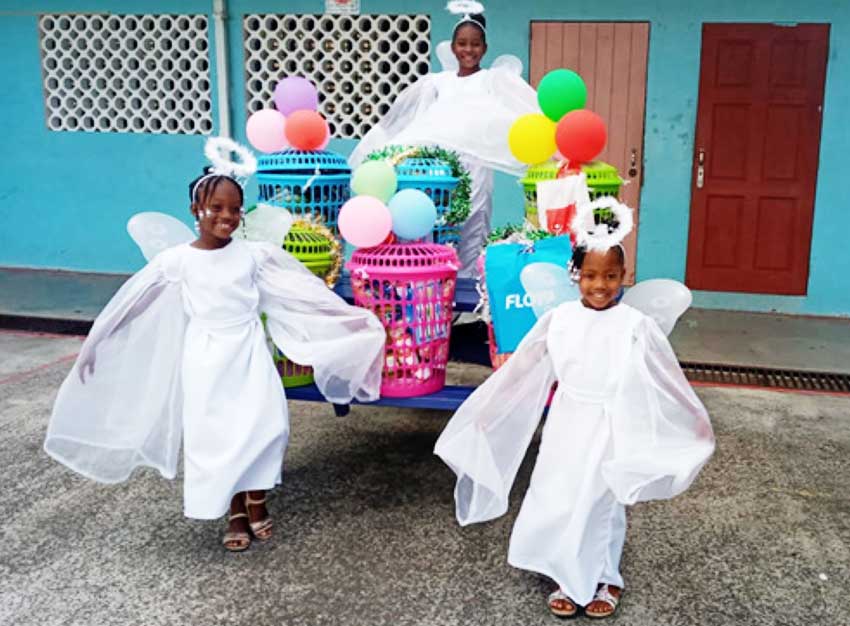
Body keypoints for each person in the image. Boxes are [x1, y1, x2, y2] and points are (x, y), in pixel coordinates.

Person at [44, 169, 385, 552]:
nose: (227, 216)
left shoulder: (253, 255)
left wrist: (348, 321)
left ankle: (258, 497)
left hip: (249, 349)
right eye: (216, 208)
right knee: (218, 437)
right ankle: (235, 512)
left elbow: (299, 293)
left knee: (266, 425)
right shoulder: (178, 261)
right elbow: (135, 302)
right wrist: (98, 343)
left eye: (235, 209)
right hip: (206, 357)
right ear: (196, 209)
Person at [434, 242, 715, 618]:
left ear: (623, 276)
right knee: (559, 491)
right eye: (591, 275)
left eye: (611, 276)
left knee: (602, 499)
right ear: (576, 275)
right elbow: (526, 366)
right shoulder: (560, 318)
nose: (600, 285)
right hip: (568, 419)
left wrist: (690, 415)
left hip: (610, 421)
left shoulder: (635, 324)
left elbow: (664, 374)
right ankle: (563, 572)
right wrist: (493, 407)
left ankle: (605, 576)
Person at [348, 4, 538, 277]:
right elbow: (407, 120)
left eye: (475, 44)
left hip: (476, 167)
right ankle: (436, 287)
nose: (468, 50)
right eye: (462, 44)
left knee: (474, 226)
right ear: (452, 47)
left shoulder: (491, 81)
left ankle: (467, 307)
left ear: (484, 48)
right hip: (440, 172)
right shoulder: (436, 83)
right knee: (439, 225)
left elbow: (520, 110)